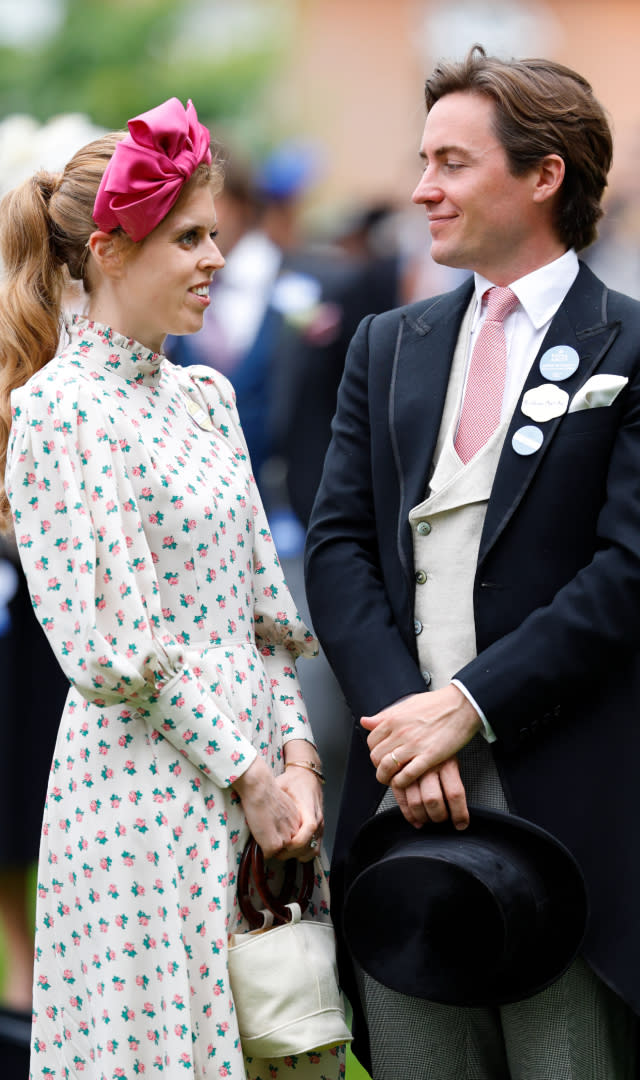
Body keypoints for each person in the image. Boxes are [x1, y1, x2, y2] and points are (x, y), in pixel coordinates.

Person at [305, 44, 640, 1080]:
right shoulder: (385, 343)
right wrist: (409, 722)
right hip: (403, 798)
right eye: (421, 160)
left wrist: (469, 705)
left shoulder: (628, 347)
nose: (420, 189)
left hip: (570, 803)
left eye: (451, 162)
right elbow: (339, 549)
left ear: (542, 175)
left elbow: (627, 571)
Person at [0, 96, 345, 1080]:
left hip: (260, 791)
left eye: (217, 236)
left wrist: (296, 762)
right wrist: (248, 773)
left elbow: (260, 613)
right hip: (143, 803)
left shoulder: (207, 397)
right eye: (189, 238)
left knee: (281, 1041)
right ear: (110, 250)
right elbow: (114, 648)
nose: (215, 260)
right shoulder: (59, 413)